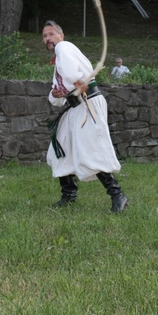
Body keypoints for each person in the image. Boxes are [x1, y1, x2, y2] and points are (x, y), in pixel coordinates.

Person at [43, 20, 128, 213]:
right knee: (60, 149)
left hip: (88, 104)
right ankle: (69, 195)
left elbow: (74, 76)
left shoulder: (64, 47)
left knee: (91, 149)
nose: (48, 38)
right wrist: (56, 94)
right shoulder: (60, 60)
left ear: (61, 36)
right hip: (75, 109)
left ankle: (118, 195)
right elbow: (56, 97)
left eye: (51, 34)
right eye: (44, 36)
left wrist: (76, 82)